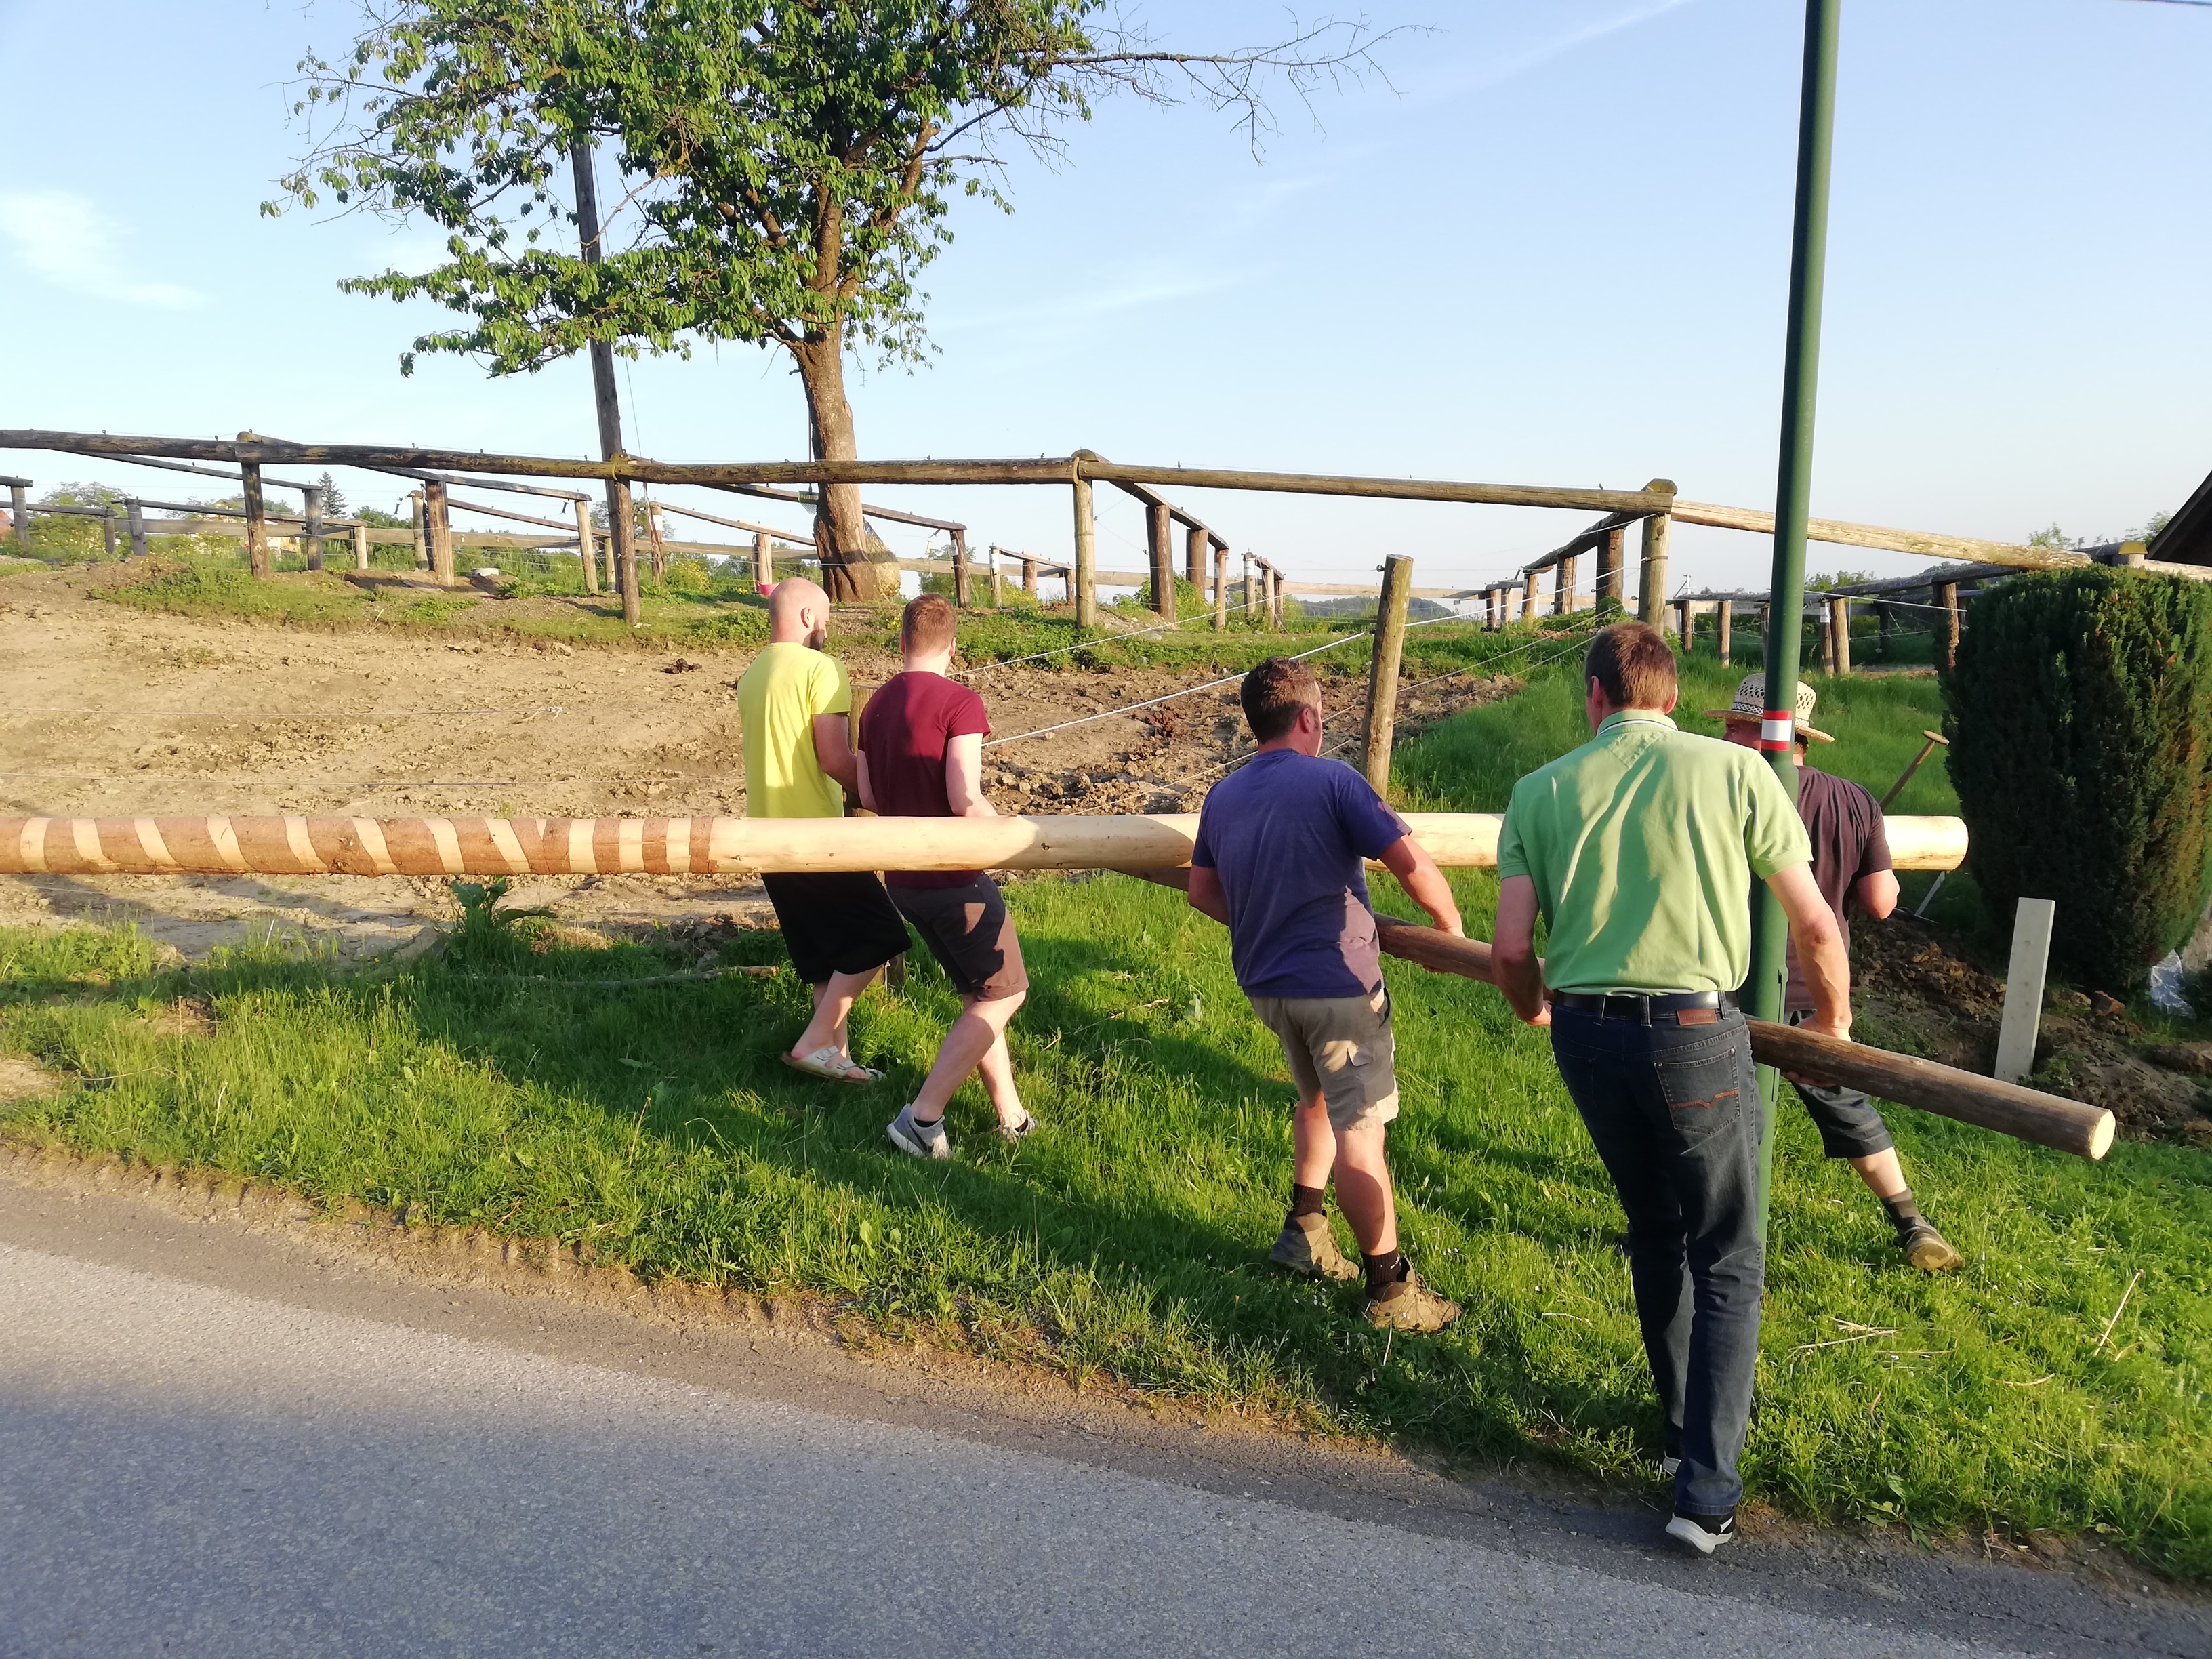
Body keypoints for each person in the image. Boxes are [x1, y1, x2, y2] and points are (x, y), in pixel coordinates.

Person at [1490, 623, 1852, 1557]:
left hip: (1586, 1035)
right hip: (1695, 1034)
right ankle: (1707, 1491)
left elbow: (1512, 948)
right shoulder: (1738, 773)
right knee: (1727, 1251)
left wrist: (1533, 1008)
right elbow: (1816, 924)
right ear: (1676, 698)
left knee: (1654, 1229)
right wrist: (1833, 1027)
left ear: (1594, 696)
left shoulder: (1538, 790)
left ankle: (1678, 1433)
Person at [1185, 656, 1465, 1332]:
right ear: (1308, 718)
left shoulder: (1224, 795)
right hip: (1338, 989)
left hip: (1269, 987)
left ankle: (1304, 1233)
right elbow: (1410, 863)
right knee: (1362, 1135)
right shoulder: (1334, 780)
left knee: (1315, 1099)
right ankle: (1391, 1292)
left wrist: (1262, 919)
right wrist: (1450, 931)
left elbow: (1201, 892)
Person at [1708, 672, 1963, 1273]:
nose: (1722, 736)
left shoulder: (1727, 791)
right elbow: (1881, 902)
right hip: (1818, 986)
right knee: (1845, 1103)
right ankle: (1910, 1221)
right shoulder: (1855, 800)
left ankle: (1695, 1230)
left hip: (1730, 980)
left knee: (1715, 1112)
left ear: (1756, 732)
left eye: (1732, 726)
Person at [857, 594, 1035, 1158]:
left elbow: (867, 794)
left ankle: (1012, 1118)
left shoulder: (875, 704)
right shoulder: (960, 702)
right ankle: (921, 1117)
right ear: (953, 647)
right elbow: (964, 797)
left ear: (902, 642)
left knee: (981, 995)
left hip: (903, 880)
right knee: (1007, 993)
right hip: (953, 877)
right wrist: (1009, 833)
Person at [736, 577, 909, 1084]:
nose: (828, 628)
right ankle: (813, 1042)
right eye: (827, 618)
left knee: (823, 960)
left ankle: (836, 1060)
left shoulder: (751, 674)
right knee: (882, 936)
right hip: (814, 835)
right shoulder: (822, 668)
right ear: (808, 617)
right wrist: (881, 795)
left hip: (764, 834)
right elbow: (834, 758)